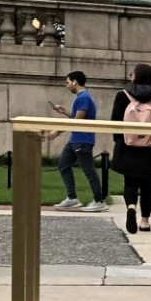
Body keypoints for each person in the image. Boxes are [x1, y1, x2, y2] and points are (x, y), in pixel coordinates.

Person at [109, 63, 151, 235]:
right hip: (150, 148)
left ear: (135, 76)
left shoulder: (122, 96)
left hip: (127, 146)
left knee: (129, 182)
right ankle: (144, 221)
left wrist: (119, 141)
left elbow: (114, 121)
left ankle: (131, 207)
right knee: (147, 184)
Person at [50, 71, 108, 211]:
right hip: (75, 139)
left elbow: (77, 121)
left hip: (82, 139)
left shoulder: (83, 97)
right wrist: (64, 112)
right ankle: (72, 198)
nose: (67, 85)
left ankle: (99, 201)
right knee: (63, 164)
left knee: (89, 171)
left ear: (75, 82)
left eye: (67, 82)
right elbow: (78, 118)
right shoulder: (82, 97)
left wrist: (57, 131)